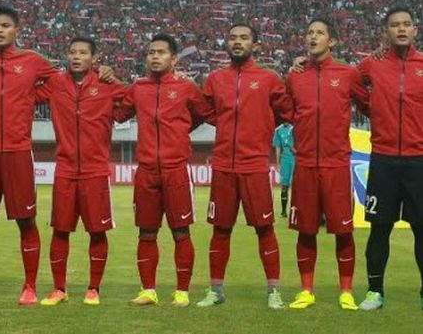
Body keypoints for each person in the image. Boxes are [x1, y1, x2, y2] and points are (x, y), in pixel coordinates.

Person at [0, 5, 114, 305]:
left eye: (6, 25)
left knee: (26, 221)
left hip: (18, 152)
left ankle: (29, 286)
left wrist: (100, 72)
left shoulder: (33, 62)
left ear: (17, 30)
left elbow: (67, 81)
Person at [196, 24, 293, 310]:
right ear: (227, 43)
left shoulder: (269, 79)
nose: (237, 42)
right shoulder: (215, 79)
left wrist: (261, 127)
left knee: (265, 228)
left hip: (254, 166)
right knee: (220, 229)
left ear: (256, 45)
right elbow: (207, 112)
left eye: (243, 38)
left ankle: (274, 291)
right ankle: (215, 290)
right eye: (232, 37)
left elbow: (287, 112)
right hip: (224, 165)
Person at [115, 33, 213, 308]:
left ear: (173, 58)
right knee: (146, 233)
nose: (155, 56)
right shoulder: (138, 88)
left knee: (181, 232)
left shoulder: (185, 87)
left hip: (176, 170)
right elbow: (119, 113)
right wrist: (108, 79)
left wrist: (181, 129)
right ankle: (148, 290)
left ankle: (182, 291)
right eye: (151, 52)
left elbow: (204, 112)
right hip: (146, 171)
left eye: (161, 52)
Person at [35, 36, 126, 307]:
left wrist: (114, 78)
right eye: (72, 51)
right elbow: (25, 92)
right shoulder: (55, 84)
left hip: (96, 170)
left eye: (83, 53)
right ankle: (58, 289)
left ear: (94, 58)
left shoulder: (107, 84)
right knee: (60, 230)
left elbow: (134, 101)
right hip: (64, 169)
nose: (76, 56)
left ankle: (93, 288)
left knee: (97, 232)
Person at [285, 18, 368, 310]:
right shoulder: (295, 76)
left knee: (343, 231)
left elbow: (369, 104)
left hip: (335, 164)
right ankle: (306, 290)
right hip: (305, 164)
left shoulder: (347, 74)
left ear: (331, 41)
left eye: (320, 33)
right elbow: (286, 112)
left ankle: (346, 291)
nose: (313, 37)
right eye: (309, 32)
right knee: (305, 230)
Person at [354, 6, 423, 311]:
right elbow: (350, 84)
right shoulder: (373, 63)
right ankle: (375, 291)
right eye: (395, 25)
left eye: (406, 24)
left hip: (419, 160)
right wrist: (374, 110)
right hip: (382, 158)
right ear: (387, 31)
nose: (401, 29)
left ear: (415, 30)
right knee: (379, 228)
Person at [273, 122, 295, 218]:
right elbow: (278, 147)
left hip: (295, 159)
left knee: (297, 186)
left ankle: (295, 210)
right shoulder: (278, 131)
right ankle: (283, 211)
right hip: (285, 160)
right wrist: (278, 163)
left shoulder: (294, 129)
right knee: (284, 185)